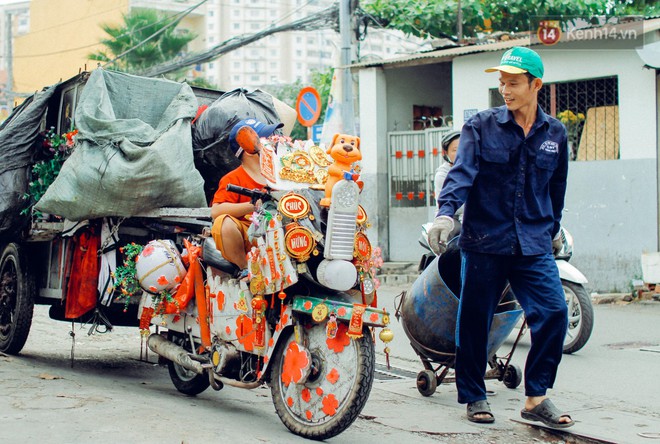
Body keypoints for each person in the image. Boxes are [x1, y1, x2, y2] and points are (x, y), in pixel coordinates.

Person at [428, 47, 573, 428]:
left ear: (535, 85)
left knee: (554, 311)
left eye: (513, 83)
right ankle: (474, 394)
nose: (505, 90)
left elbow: (556, 187)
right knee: (476, 318)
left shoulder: (555, 133)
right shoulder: (481, 126)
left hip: (533, 242)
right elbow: (462, 174)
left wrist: (553, 229)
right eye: (501, 82)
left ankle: (536, 396)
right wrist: (445, 214)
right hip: (485, 238)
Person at [210, 118, 283, 276]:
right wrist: (252, 206)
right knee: (223, 223)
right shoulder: (233, 179)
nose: (272, 142)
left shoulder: (282, 173)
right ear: (248, 149)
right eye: (265, 139)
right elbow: (216, 211)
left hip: (282, 232)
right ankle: (246, 269)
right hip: (252, 237)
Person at [433, 130, 463, 233]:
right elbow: (448, 204)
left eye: (463, 148)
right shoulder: (442, 175)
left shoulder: (472, 169)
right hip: (450, 217)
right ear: (446, 153)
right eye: (455, 150)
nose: (460, 153)